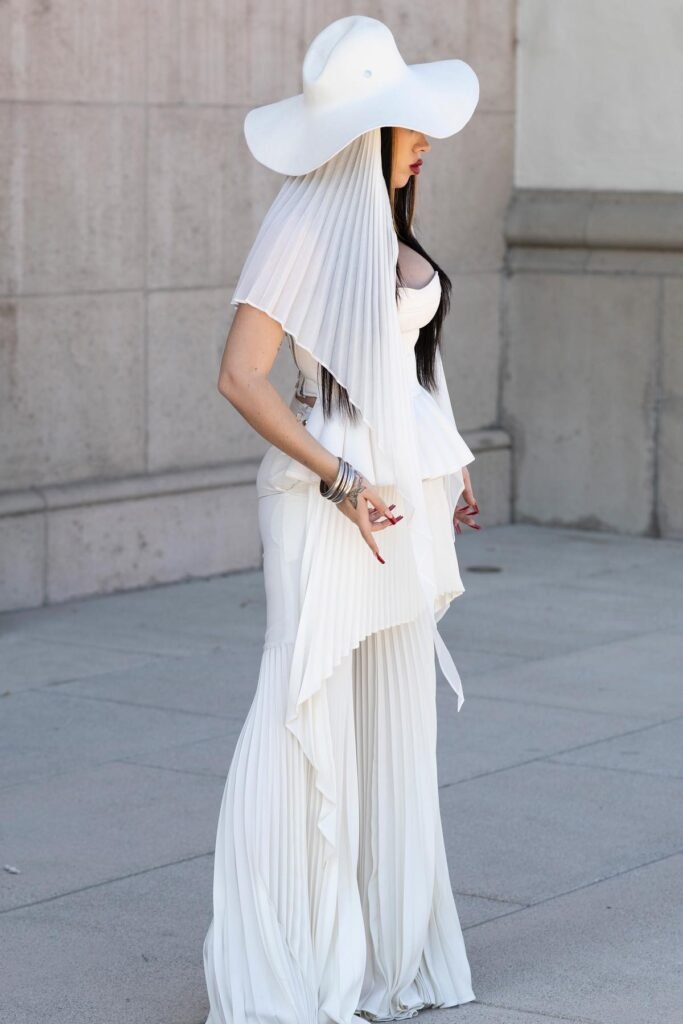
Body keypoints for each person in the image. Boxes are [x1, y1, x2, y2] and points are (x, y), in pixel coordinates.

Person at [202, 15, 481, 1024]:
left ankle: (377, 956)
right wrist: (342, 480)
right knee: (304, 704)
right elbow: (242, 376)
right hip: (328, 503)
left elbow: (404, 366)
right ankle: (282, 961)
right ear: (362, 132)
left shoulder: (387, 226)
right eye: (405, 124)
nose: (423, 139)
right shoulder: (303, 223)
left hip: (398, 501)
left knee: (390, 715)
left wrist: (445, 463)